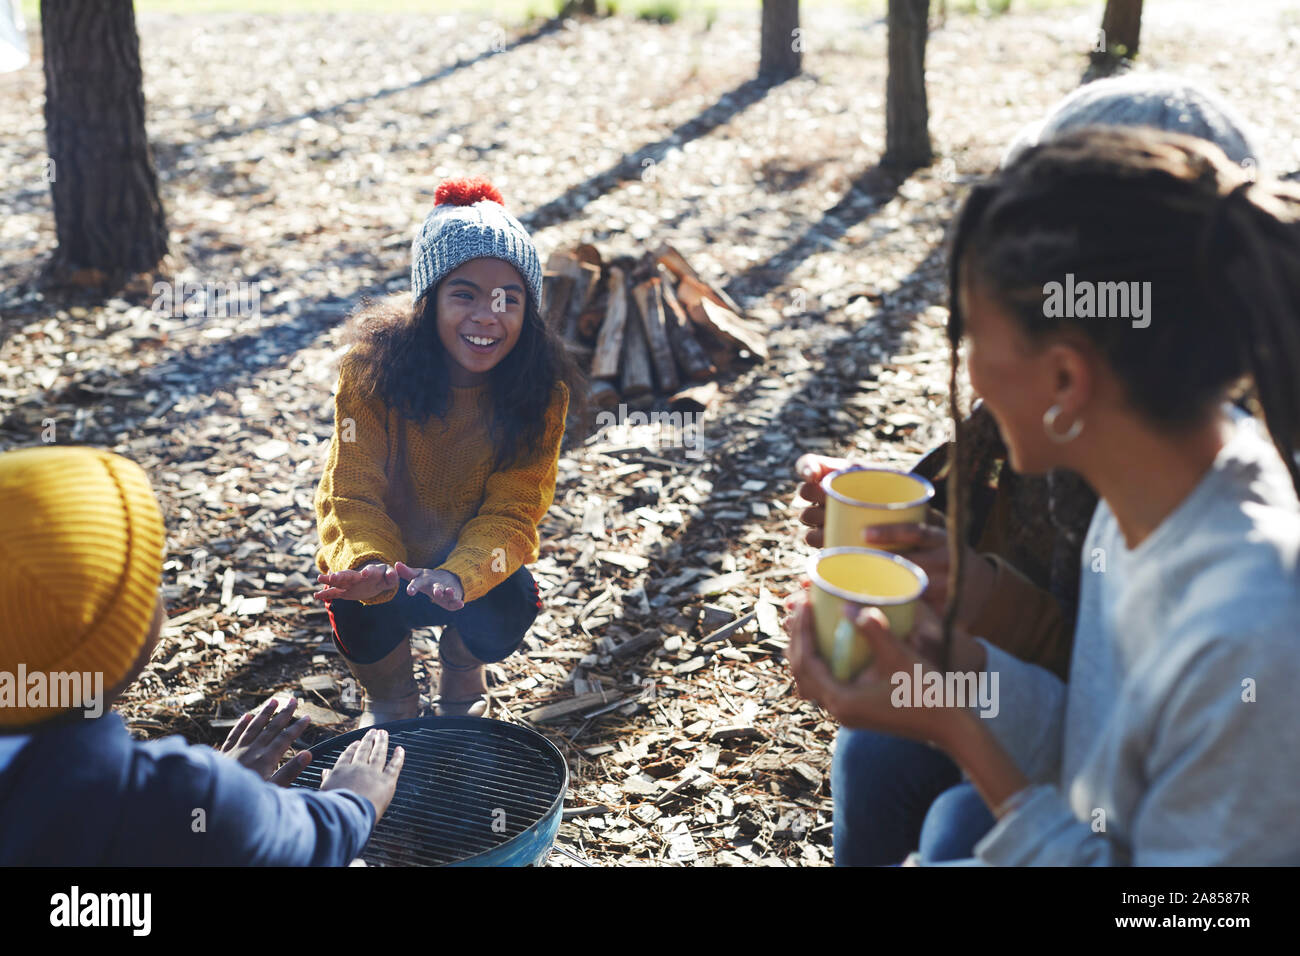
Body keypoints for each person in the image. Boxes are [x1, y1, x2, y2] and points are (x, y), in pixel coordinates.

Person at [788, 125, 1300, 865]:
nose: (973, 379)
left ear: (1065, 380)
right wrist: (957, 670)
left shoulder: (1253, 630)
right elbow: (1096, 746)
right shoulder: (1152, 491)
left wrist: (960, 732)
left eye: (973, 341)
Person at [0, 445, 403, 865]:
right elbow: (316, 837)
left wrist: (228, 786)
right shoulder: (174, 794)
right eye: (146, 581)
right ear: (118, 638)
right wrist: (354, 800)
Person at [314, 176, 584, 722]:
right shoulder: (371, 372)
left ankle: (462, 669)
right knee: (349, 598)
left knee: (513, 599)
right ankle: (392, 695)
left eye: (508, 298)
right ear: (428, 301)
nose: (488, 315)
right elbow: (352, 490)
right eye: (464, 294)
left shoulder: (540, 392)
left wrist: (459, 575)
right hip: (385, 560)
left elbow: (515, 509)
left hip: (469, 563)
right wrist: (371, 565)